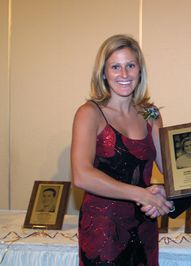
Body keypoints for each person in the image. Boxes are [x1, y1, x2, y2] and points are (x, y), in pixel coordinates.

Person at [71, 34, 173, 266]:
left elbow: (171, 170)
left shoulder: (151, 113)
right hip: (103, 230)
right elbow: (82, 175)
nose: (124, 75)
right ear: (104, 73)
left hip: (144, 224)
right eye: (115, 67)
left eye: (130, 66)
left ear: (140, 70)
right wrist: (141, 194)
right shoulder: (89, 113)